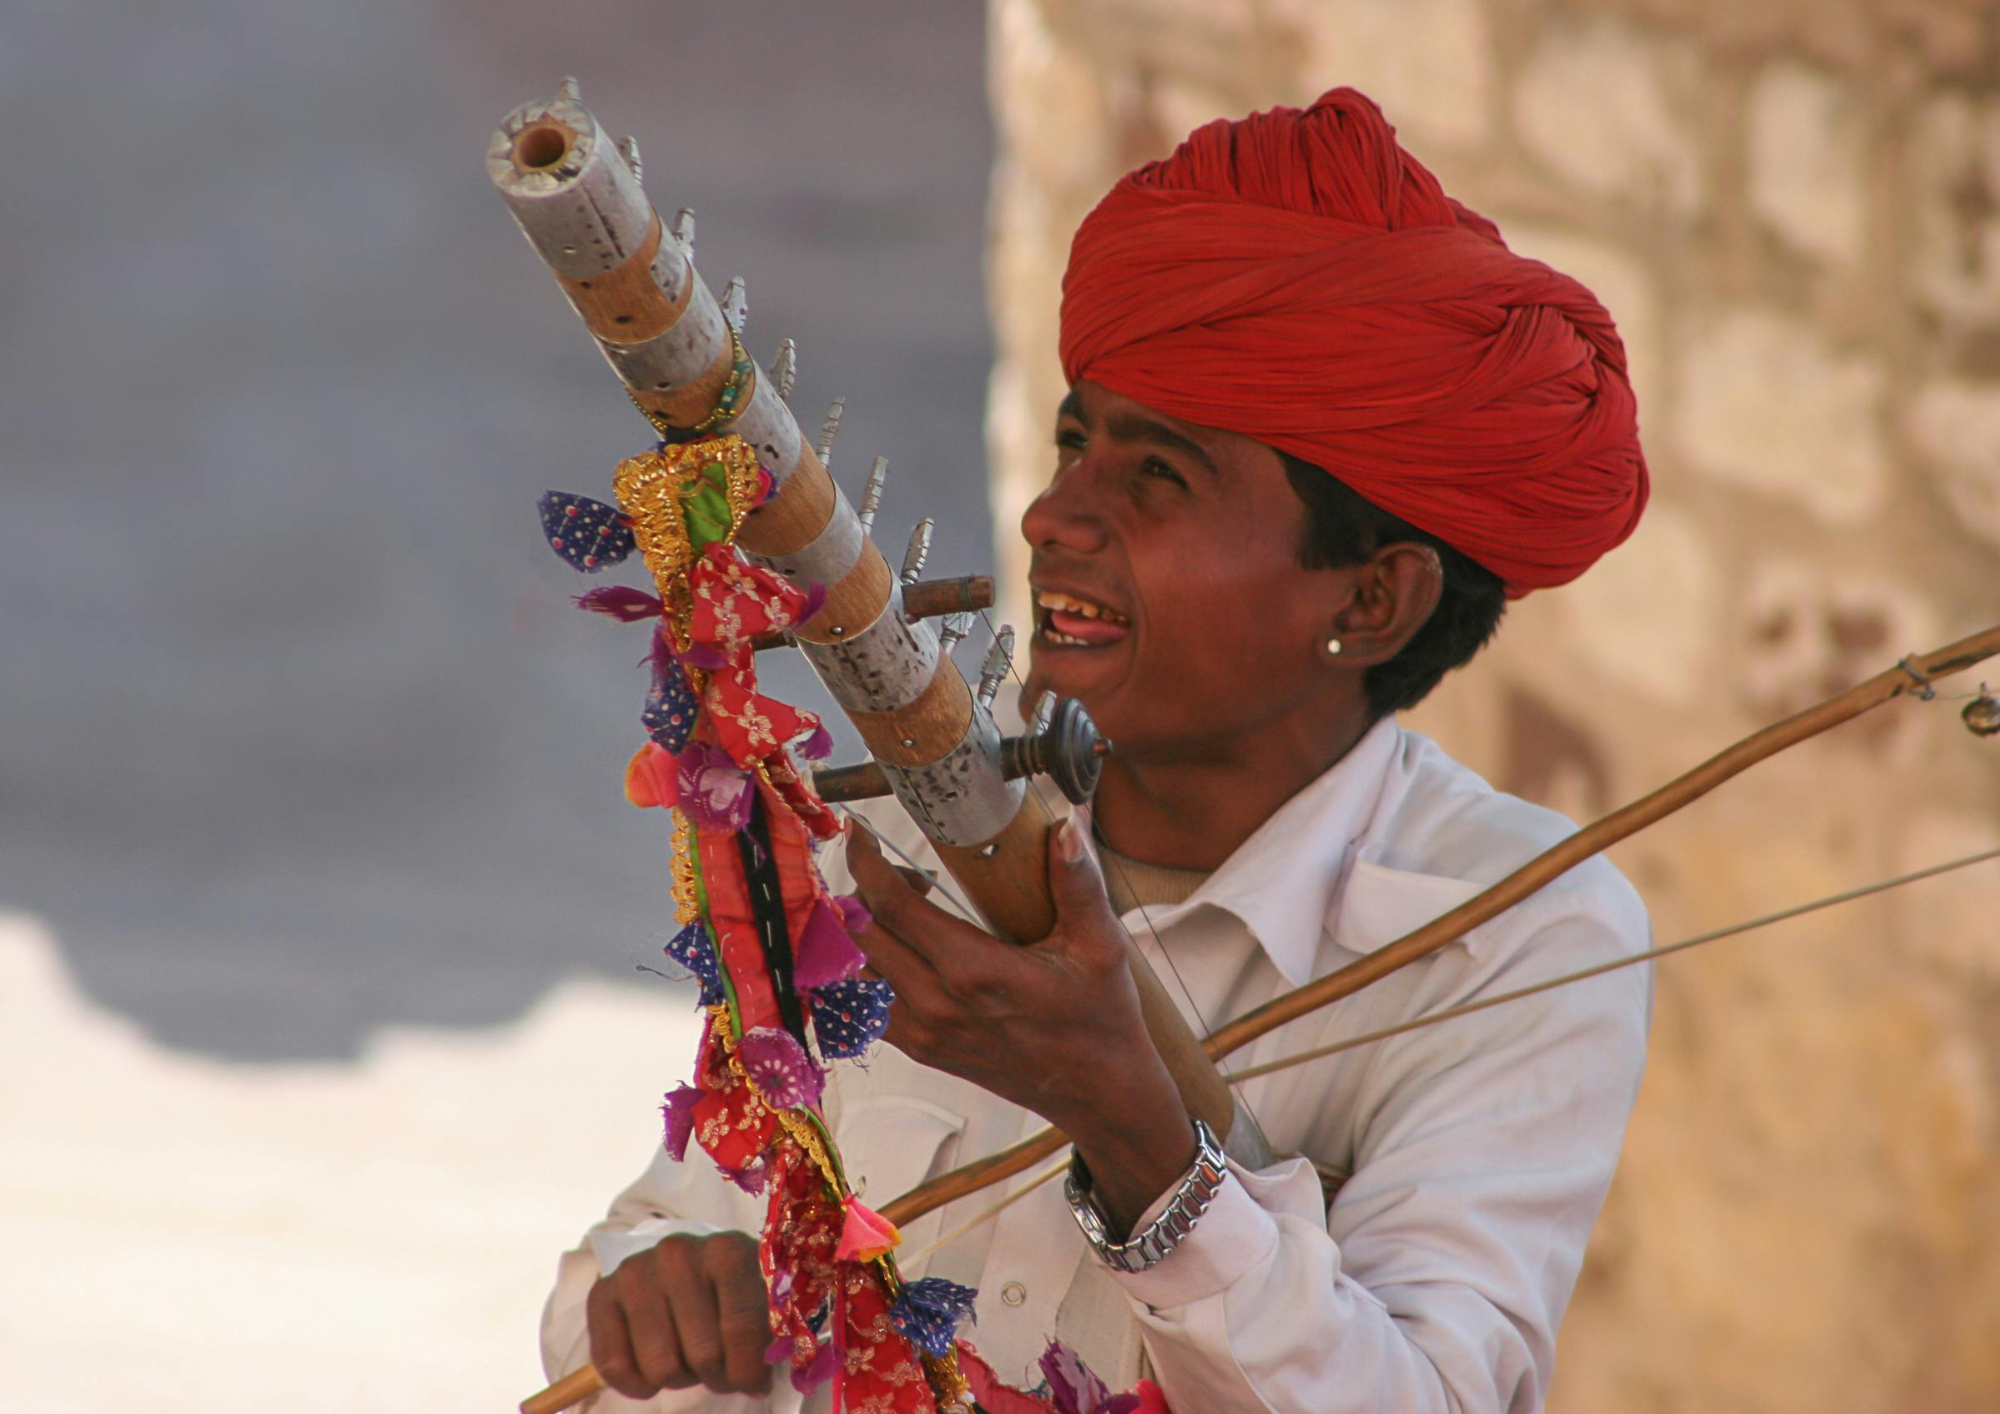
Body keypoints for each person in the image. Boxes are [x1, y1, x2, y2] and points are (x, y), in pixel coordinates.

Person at [539, 87, 1653, 1413]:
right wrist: (661, 1294)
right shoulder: (914, 819)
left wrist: (1124, 1112)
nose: (1055, 513)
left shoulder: (1524, 936)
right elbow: (642, 1263)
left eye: (1159, 477)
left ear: (1369, 600)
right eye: (1078, 443)